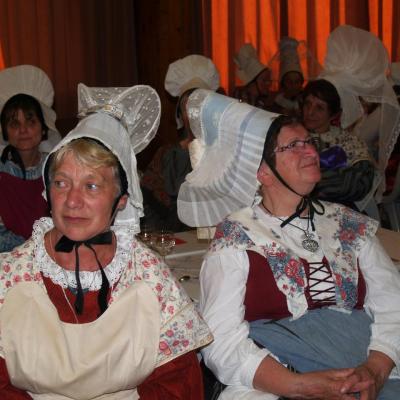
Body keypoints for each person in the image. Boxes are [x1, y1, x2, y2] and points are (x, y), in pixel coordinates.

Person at [177, 88, 400, 399]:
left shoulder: (347, 223)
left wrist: (374, 371)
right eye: (293, 146)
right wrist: (301, 386)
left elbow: (393, 305)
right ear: (263, 171)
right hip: (279, 377)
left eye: (309, 142)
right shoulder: (237, 236)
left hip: (361, 365)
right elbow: (221, 339)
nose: (310, 151)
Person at [0, 83, 212, 399]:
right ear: (47, 190)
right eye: (61, 183)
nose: (72, 201)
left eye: (92, 186)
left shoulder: (147, 274)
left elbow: (179, 382)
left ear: (122, 199)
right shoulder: (12, 275)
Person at [317, 25, 400, 200]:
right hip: (337, 169)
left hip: (340, 175)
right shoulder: (341, 94)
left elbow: (359, 139)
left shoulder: (349, 100)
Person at [141, 54, 220, 232]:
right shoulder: (166, 154)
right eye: (188, 104)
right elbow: (149, 207)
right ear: (179, 114)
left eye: (201, 102)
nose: (194, 111)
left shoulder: (227, 151)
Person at [0, 65, 61, 252]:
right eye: (14, 123)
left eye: (30, 121)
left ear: (43, 129)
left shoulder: (56, 170)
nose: (23, 130)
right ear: (5, 132)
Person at [301, 78, 377, 208]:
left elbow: (361, 184)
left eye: (319, 108)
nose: (310, 112)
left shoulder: (349, 141)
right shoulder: (291, 136)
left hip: (338, 210)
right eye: (307, 104)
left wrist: (308, 180)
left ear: (333, 114)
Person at [232, 43, 274, 111]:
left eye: (269, 80)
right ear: (252, 82)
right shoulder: (240, 98)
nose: (268, 84)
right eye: (264, 80)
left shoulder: (260, 101)